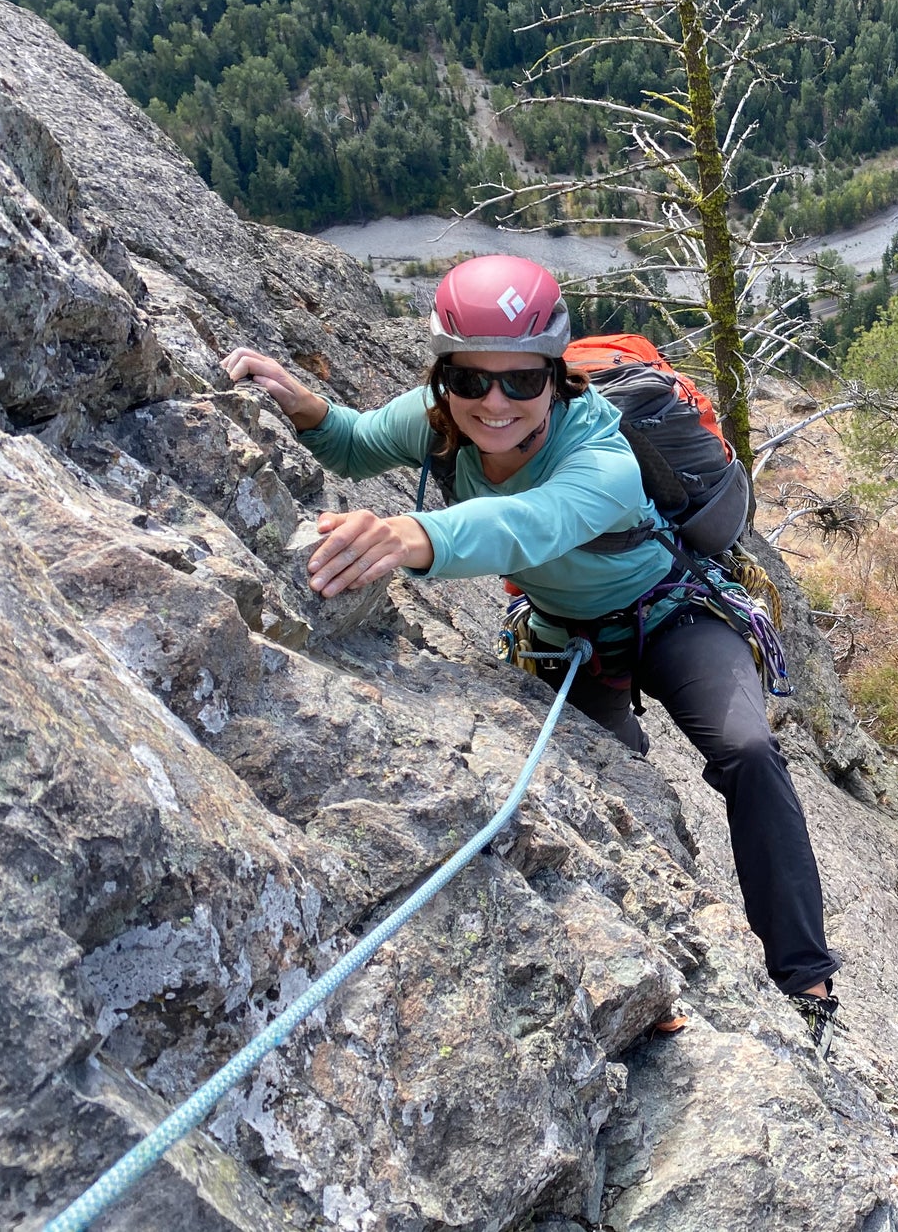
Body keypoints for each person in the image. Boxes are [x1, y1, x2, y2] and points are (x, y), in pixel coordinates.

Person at [222, 255, 840, 1049]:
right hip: (561, 636)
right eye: (472, 380)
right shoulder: (438, 421)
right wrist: (306, 409)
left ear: (556, 378)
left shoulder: (604, 457)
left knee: (749, 750)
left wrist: (413, 535)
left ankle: (807, 980)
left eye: (521, 381)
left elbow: (526, 523)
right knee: (614, 806)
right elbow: (351, 444)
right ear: (444, 377)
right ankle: (659, 968)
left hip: (670, 614)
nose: (495, 402)